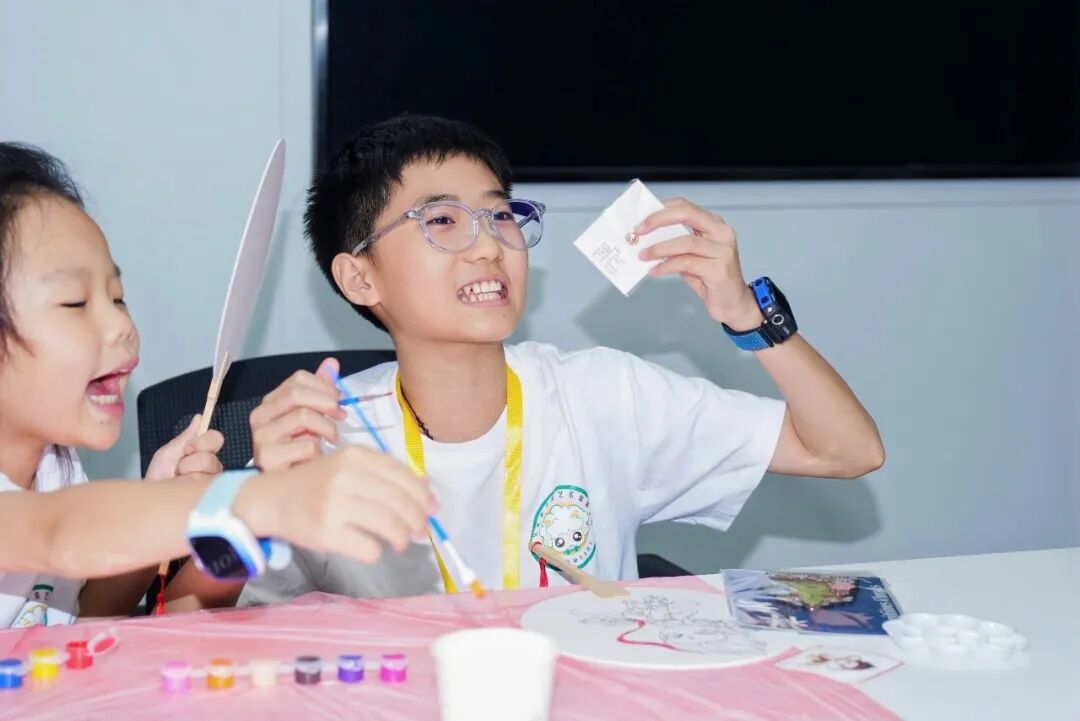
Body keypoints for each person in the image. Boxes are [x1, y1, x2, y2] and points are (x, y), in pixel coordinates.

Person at [238, 114, 884, 606]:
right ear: (359, 279)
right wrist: (239, 498)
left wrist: (746, 314)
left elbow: (846, 451)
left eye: (501, 216)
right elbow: (197, 615)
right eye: (442, 221)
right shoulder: (322, 431)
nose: (488, 247)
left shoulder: (601, 393)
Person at [0, 142, 435, 625]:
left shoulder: (55, 465)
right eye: (75, 302)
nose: (122, 326)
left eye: (118, 298)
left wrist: (161, 499)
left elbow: (83, 619)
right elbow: (59, 532)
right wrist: (263, 501)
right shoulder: (51, 514)